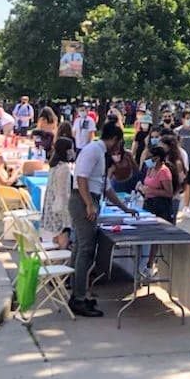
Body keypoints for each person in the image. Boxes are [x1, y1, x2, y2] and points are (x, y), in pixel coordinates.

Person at [68, 122, 137, 317]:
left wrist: (124, 207)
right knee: (86, 249)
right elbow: (81, 178)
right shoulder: (93, 150)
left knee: (81, 247)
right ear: (115, 139)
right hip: (83, 199)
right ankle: (79, 298)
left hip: (90, 198)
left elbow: (105, 186)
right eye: (120, 142)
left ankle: (77, 292)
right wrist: (89, 204)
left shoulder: (101, 154)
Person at [39, 136, 75, 249]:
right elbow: (63, 192)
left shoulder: (54, 165)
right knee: (63, 235)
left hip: (51, 204)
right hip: (60, 208)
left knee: (56, 237)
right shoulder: (64, 168)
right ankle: (61, 260)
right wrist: (67, 214)